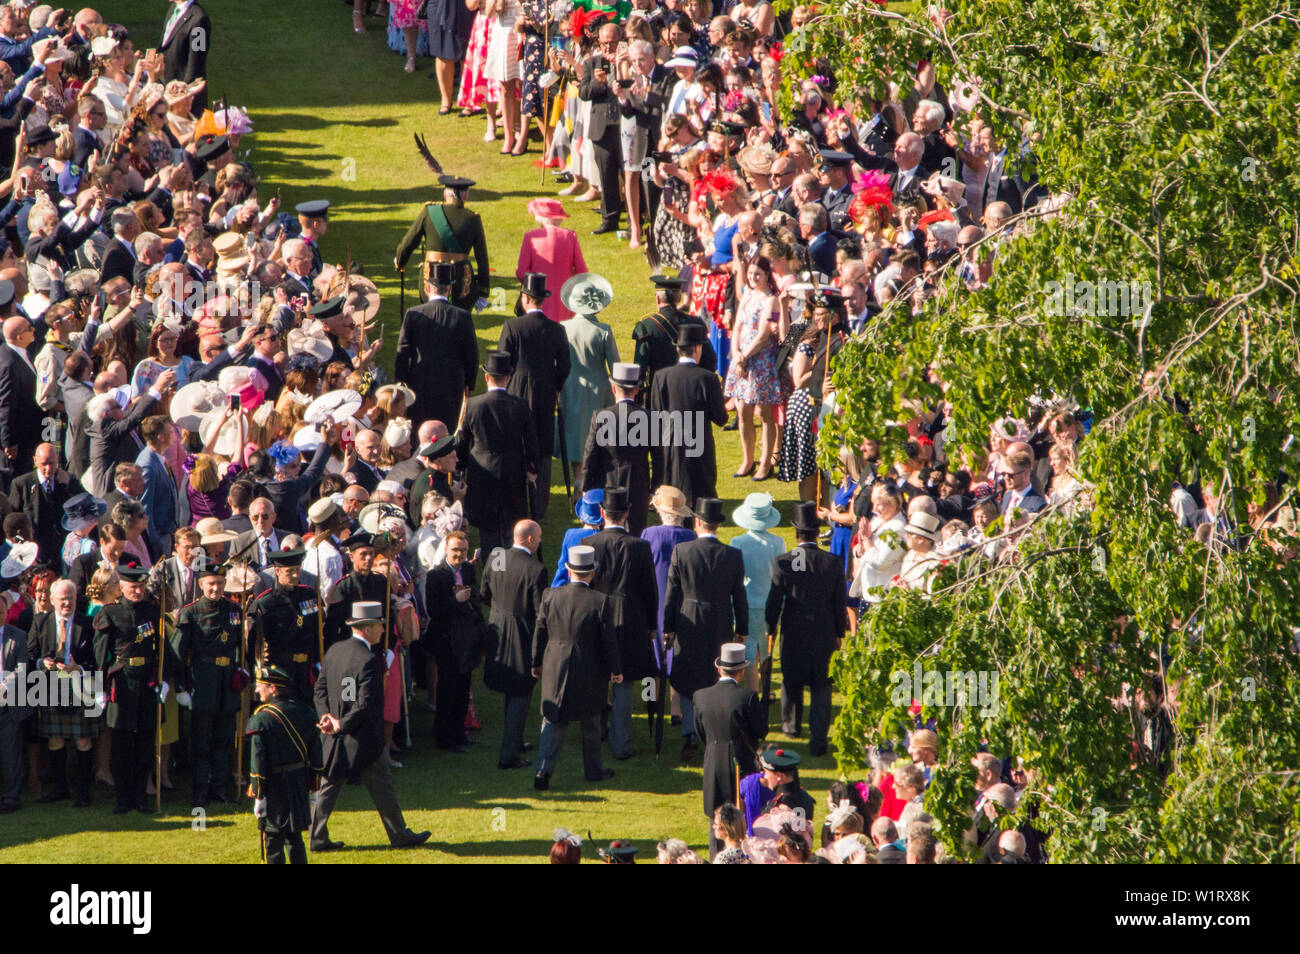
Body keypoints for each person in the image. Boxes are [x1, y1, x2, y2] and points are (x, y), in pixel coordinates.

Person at [310, 601, 431, 852]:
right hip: (363, 738)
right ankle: (399, 834)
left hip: (335, 735)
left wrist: (327, 718)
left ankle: (317, 837)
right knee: (382, 786)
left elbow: (320, 689)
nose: (382, 630)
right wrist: (340, 724)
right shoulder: (368, 659)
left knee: (329, 786)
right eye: (379, 625)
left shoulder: (334, 651)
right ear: (366, 628)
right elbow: (364, 704)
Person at [531, 545, 621, 790]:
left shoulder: (550, 596)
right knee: (591, 721)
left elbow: (540, 632)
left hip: (554, 663)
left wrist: (536, 662)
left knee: (553, 720)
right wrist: (615, 669)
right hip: (589, 668)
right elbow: (608, 640)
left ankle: (543, 770)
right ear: (591, 573)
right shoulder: (601, 601)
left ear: (569, 571)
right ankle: (594, 771)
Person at [664, 497, 747, 757]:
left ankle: (690, 730)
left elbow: (671, 595)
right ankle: (713, 731)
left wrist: (668, 628)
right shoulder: (732, 555)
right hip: (720, 619)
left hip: (688, 618)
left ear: (698, 522)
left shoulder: (681, 551)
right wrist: (741, 630)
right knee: (716, 675)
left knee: (688, 675)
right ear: (717, 525)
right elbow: (740, 597)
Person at [766, 502, 848, 756]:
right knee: (821, 685)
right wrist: (839, 633)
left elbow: (774, 600)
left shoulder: (785, 562)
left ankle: (791, 727)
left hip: (793, 630)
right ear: (816, 533)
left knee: (791, 680)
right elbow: (839, 602)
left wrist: (771, 627)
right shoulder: (832, 562)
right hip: (824, 631)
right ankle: (819, 739)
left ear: (796, 533)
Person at [93, 562, 175, 814]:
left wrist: (166, 680)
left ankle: (140, 797)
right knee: (121, 744)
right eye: (132, 586)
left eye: (141, 586)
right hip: (121, 684)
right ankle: (122, 798)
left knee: (144, 743)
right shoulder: (109, 613)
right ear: (123, 586)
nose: (137, 591)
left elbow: (163, 650)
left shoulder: (153, 612)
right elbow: (100, 654)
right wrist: (99, 688)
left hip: (147, 683)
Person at [585, 486, 658, 760]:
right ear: (627, 513)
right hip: (630, 619)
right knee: (624, 683)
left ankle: (597, 733)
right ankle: (622, 743)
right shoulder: (639, 546)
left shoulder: (590, 544)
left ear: (602, 513)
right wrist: (652, 624)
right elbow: (650, 590)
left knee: (597, 679)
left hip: (596, 615)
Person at [498, 272, 571, 520]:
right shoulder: (556, 330)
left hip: (516, 394)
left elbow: (502, 362)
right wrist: (554, 386)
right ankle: (539, 507)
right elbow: (565, 367)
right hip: (544, 397)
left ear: (526, 298)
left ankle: (515, 501)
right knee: (542, 449)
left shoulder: (512, 326)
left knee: (515, 446)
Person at [172, 562, 243, 808]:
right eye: (211, 584)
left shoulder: (234, 610)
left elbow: (241, 646)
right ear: (201, 584)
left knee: (224, 738)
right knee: (201, 740)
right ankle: (200, 790)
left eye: (220, 584)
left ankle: (220, 788)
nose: (216, 588)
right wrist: (181, 688)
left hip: (227, 680)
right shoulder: (190, 613)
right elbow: (178, 653)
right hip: (203, 679)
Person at [455, 351, 540, 554]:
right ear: (508, 378)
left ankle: (496, 571)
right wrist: (532, 469)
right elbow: (531, 444)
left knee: (488, 529)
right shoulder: (520, 405)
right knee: (512, 526)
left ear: (486, 377)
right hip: (513, 473)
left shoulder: (473, 405)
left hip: (482, 473)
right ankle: (510, 568)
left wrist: (460, 470)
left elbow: (462, 443)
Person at [480, 519, 546, 769]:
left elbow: (484, 593)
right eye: (538, 537)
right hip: (522, 634)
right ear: (529, 539)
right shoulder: (536, 569)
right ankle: (508, 755)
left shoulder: (497, 556)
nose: (540, 540)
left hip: (497, 629)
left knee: (511, 686)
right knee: (520, 691)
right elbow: (540, 611)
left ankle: (515, 741)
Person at [26, 579, 98, 807]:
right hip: (51, 686)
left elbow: (97, 657)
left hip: (80, 686)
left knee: (83, 739)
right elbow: (29, 653)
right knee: (55, 739)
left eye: (71, 598)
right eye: (63, 599)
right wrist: (40, 663)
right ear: (53, 599)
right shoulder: (41, 621)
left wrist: (80, 669)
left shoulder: (88, 623)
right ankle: (60, 788)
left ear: (77, 599)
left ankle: (84, 792)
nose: (67, 603)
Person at [245, 664, 323, 865]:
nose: (256, 689)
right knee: (295, 839)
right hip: (298, 783)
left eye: (260, 685)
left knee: (272, 842)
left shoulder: (262, 719)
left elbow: (258, 762)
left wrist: (259, 795)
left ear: (273, 688)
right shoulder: (306, 712)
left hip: (274, 787)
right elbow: (316, 754)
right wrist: (314, 781)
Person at [694, 642, 765, 858]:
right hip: (741, 761)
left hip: (713, 760)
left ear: (719, 669)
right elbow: (761, 731)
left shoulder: (700, 696)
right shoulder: (748, 697)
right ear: (741, 671)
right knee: (742, 814)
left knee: (715, 818)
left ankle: (717, 857)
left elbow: (700, 732)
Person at [394, 260, 478, 430]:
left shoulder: (414, 314)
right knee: (447, 429)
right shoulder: (463, 316)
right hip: (452, 385)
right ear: (450, 288)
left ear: (428, 287)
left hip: (419, 384)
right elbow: (472, 355)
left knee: (420, 430)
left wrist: (400, 381)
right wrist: (469, 384)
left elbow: (402, 352)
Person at [649, 323, 727, 504]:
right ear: (697, 348)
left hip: (670, 450)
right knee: (702, 501)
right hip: (700, 449)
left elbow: (655, 417)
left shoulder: (661, 376)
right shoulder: (707, 378)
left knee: (673, 501)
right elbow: (721, 419)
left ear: (678, 349)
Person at [423, 529, 485, 752]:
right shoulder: (435, 575)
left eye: (463, 550)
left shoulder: (468, 569)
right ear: (446, 549)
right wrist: (455, 600)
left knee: (463, 687)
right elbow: (434, 610)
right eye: (455, 550)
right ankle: (444, 737)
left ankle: (460, 733)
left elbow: (476, 594)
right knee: (447, 690)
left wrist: (471, 593)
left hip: (466, 638)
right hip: (446, 640)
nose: (459, 554)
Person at [557, 274, 618, 489]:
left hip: (570, 387)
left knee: (575, 436)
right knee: (598, 436)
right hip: (599, 390)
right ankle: (592, 483)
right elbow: (615, 366)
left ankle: (578, 481)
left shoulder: (562, 327)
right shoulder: (604, 331)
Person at [394, 175, 490, 311]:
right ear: (465, 196)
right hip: (461, 283)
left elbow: (408, 244)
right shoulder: (472, 218)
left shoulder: (429, 212)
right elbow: (482, 258)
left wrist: (400, 262)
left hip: (430, 279)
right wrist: (483, 291)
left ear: (445, 194)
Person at [581, 362, 652, 535]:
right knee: (635, 534)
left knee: (607, 533)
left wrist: (586, 487)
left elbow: (590, 454)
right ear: (636, 390)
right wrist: (654, 487)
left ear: (614, 388)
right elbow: (659, 457)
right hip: (638, 485)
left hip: (607, 483)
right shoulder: (649, 418)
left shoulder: (601, 416)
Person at [246, 549, 321, 701]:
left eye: (297, 570)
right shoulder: (265, 602)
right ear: (277, 571)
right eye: (290, 571)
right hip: (280, 670)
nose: (295, 575)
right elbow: (254, 643)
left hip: (306, 668)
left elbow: (316, 631)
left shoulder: (309, 595)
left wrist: (319, 661)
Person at [728, 492, 783, 689]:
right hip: (770, 604)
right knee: (767, 651)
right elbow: (781, 576)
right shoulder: (777, 543)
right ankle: (766, 692)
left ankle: (753, 693)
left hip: (746, 604)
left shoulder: (737, 543)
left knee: (749, 654)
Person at [632, 274, 717, 394]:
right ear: (678, 299)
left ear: (657, 298)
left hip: (660, 394)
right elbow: (710, 360)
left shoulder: (647, 327)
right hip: (692, 393)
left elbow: (639, 370)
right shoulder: (696, 323)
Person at [9, 443, 84, 568]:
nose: (48, 468)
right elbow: (12, 521)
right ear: (35, 461)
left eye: (52, 463)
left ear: (57, 461)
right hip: (34, 551)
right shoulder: (21, 484)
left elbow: (85, 502)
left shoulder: (67, 480)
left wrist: (70, 484)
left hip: (60, 549)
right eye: (44, 464)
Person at [515, 198, 588, 322]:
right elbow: (582, 272)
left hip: (536, 300)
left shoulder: (530, 237)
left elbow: (522, 273)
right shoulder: (570, 236)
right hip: (565, 300)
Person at [160, 0, 211, 112]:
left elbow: (197, 63)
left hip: (183, 100)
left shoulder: (199, 19)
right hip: (167, 89)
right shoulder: (173, 9)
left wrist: (183, 95)